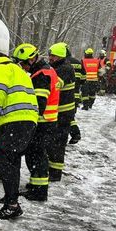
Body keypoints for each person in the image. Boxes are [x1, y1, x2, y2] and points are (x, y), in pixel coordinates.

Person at [0, 53, 38, 219]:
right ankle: (10, 198)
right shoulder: (19, 71)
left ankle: (12, 205)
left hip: (14, 120)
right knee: (12, 161)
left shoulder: (0, 68)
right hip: (27, 120)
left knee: (4, 161)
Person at [11, 43, 59, 202]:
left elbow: (39, 103)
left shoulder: (41, 75)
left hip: (42, 123)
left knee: (36, 156)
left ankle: (39, 191)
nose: (23, 67)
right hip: (47, 122)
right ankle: (36, 185)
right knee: (36, 155)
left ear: (31, 59)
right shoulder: (46, 70)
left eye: (23, 63)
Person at [47, 43, 77, 184]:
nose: (50, 58)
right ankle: (52, 170)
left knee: (58, 144)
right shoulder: (59, 67)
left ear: (60, 56)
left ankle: (55, 173)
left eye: (53, 56)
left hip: (63, 113)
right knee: (53, 143)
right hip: (60, 112)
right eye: (50, 55)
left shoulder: (64, 68)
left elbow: (54, 84)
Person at [64, 44, 85, 144]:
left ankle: (75, 134)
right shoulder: (78, 62)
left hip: (65, 95)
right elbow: (84, 78)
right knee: (70, 116)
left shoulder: (62, 63)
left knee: (67, 117)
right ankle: (75, 134)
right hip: (76, 95)